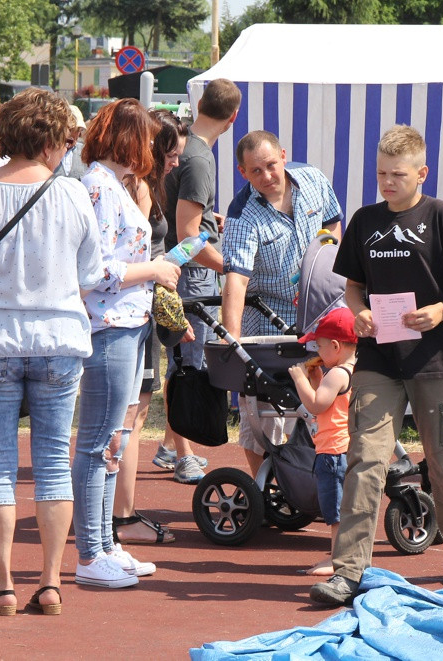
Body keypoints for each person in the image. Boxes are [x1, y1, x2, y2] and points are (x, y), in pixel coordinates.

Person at [0, 88, 103, 616]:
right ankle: (50, 582)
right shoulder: (72, 194)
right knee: (53, 463)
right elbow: (91, 275)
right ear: (51, 140)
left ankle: (3, 583)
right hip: (58, 342)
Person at [310, 125, 443, 606]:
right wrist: (359, 312)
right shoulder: (365, 221)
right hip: (379, 361)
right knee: (365, 460)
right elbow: (351, 287)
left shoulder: (440, 215)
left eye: (398, 174)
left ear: (421, 173)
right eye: (381, 174)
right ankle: (348, 571)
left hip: (435, 360)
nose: (387, 182)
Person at [71, 98, 181, 587]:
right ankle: (91, 552)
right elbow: (93, 272)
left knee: (113, 439)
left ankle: (105, 543)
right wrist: (155, 269)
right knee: (100, 440)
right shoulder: (97, 185)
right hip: (110, 323)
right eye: (149, 141)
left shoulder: (111, 183)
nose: (155, 152)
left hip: (128, 321)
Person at [222, 130, 342, 477]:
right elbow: (236, 281)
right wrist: (234, 344)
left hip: (320, 314)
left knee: (325, 408)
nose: (266, 176)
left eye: (271, 165)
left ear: (284, 156)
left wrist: (318, 260)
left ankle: (319, 484)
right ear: (243, 173)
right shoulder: (242, 214)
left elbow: (332, 222)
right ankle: (270, 492)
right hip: (269, 324)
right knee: (265, 419)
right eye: (255, 171)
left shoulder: (313, 179)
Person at [112, 108, 206, 545]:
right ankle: (119, 517)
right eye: (170, 156)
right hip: (130, 316)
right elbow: (139, 266)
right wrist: (170, 300)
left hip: (136, 313)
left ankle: (117, 514)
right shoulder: (136, 190)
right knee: (128, 416)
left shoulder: (134, 186)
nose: (175, 165)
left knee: (128, 415)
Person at [163, 78, 241, 485]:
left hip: (188, 271)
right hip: (191, 276)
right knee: (188, 366)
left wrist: (212, 225)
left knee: (183, 361)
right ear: (232, 118)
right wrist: (230, 267)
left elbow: (194, 223)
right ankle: (182, 454)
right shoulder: (198, 158)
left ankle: (169, 445)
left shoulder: (191, 150)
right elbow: (189, 235)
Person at [287, 307, 357, 576]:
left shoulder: (337, 374)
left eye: (320, 346)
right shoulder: (350, 370)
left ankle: (337, 559)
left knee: (335, 510)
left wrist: (299, 380)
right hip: (346, 448)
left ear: (336, 345)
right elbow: (330, 402)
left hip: (333, 453)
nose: (317, 352)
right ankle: (344, 555)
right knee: (346, 507)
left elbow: (316, 405)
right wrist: (317, 379)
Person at [57, 105, 87, 180]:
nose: (72, 135)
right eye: (70, 129)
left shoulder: (86, 152)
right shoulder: (48, 153)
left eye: (77, 130)